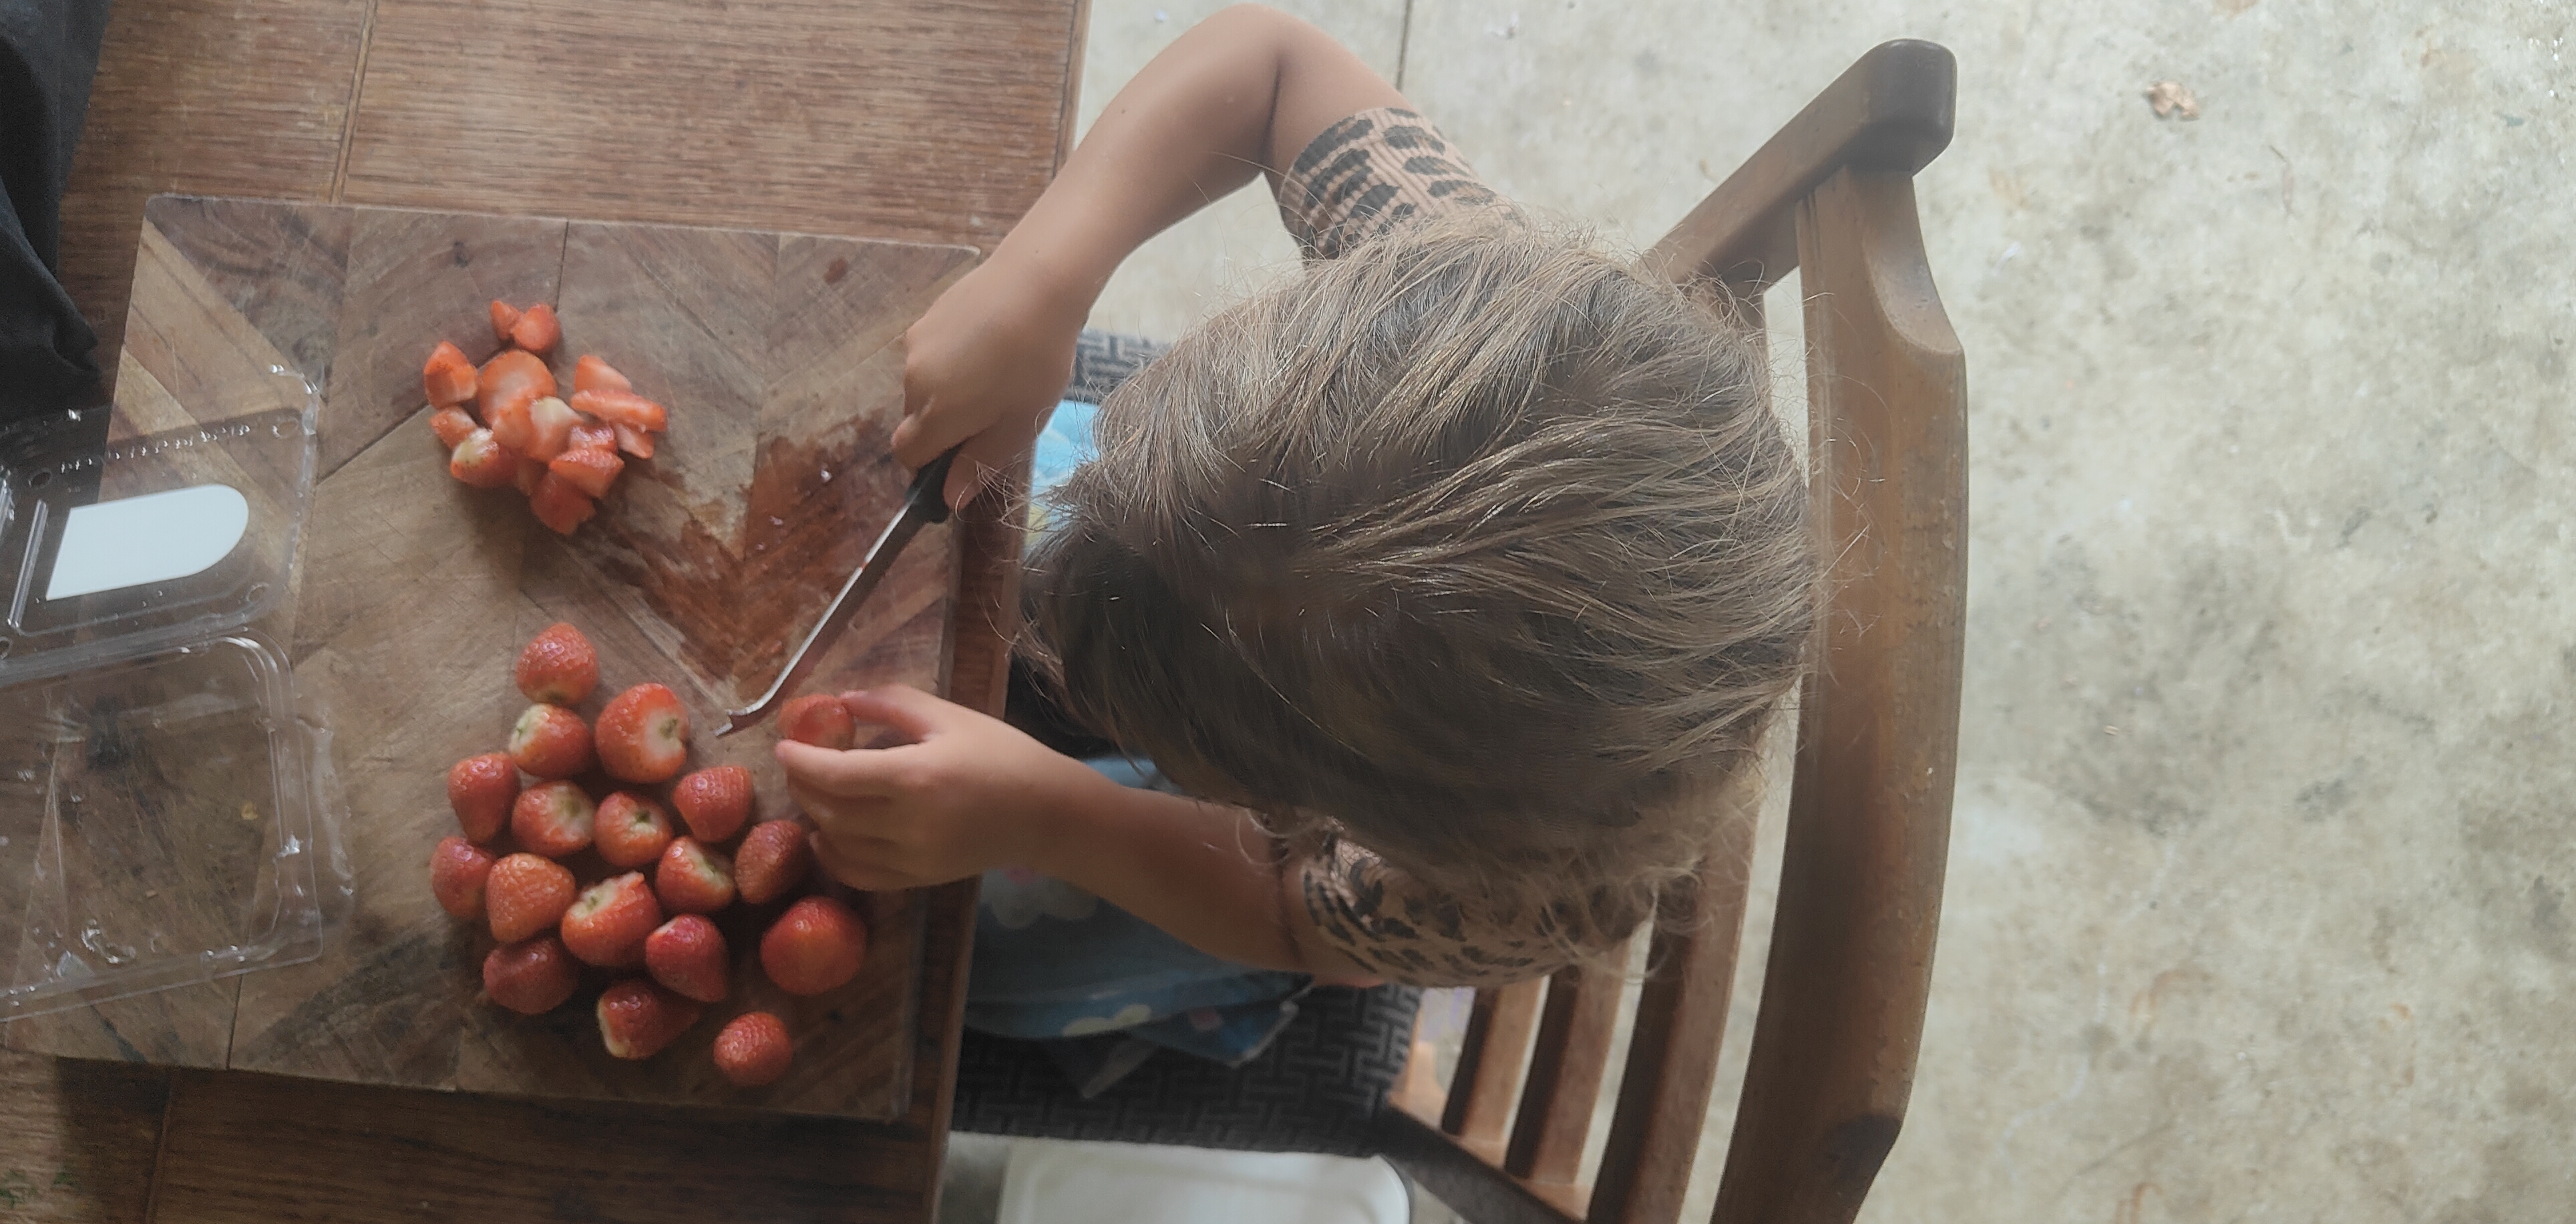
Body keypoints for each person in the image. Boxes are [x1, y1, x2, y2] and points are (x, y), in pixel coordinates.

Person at [775, 5, 1815, 1092]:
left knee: (976, 979)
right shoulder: (1451, 314)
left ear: (1301, 801)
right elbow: (1271, 62)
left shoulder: (1520, 897)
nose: (1048, 628)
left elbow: (1289, 909)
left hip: (1265, 869)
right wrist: (1044, 280)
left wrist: (1048, 813)